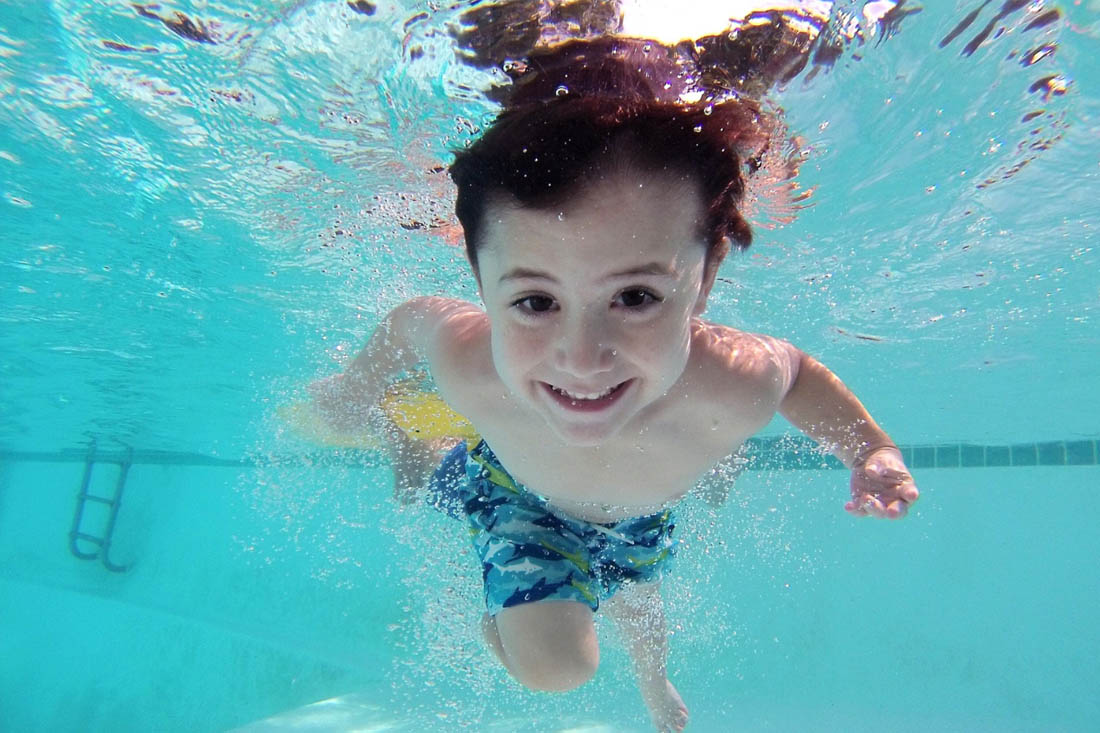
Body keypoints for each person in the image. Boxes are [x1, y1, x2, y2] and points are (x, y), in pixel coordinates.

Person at [308, 39, 919, 733]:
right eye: (536, 302)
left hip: (640, 517)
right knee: (557, 666)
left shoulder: (732, 380)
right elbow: (411, 321)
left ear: (705, 279)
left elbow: (799, 375)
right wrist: (356, 388)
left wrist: (870, 449)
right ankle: (420, 460)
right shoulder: (470, 362)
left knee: (639, 604)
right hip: (516, 497)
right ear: (481, 283)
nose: (582, 359)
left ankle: (653, 680)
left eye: (634, 296)